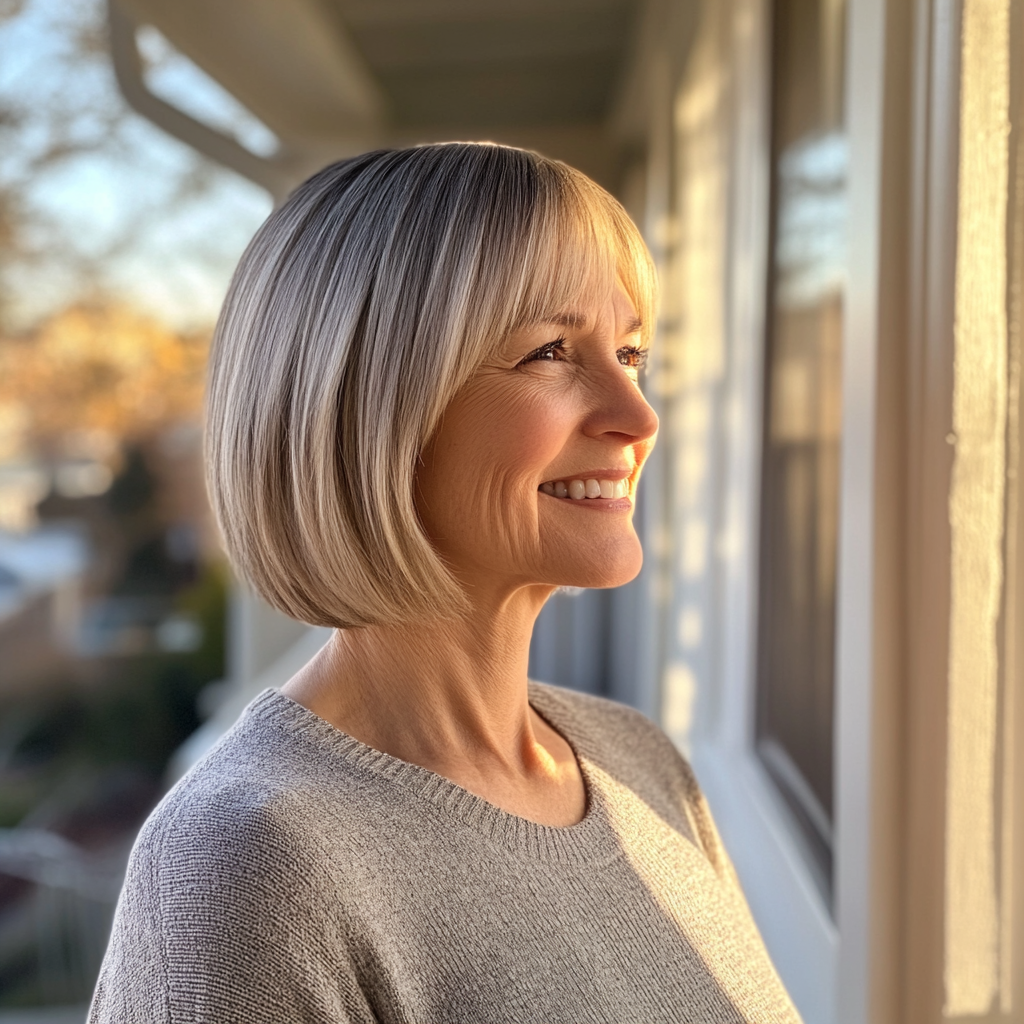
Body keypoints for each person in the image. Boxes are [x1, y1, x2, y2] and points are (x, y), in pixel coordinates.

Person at [88, 143, 802, 1024]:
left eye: (630, 352)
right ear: (366, 408)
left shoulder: (638, 762)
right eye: (551, 351)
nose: (637, 416)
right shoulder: (250, 865)